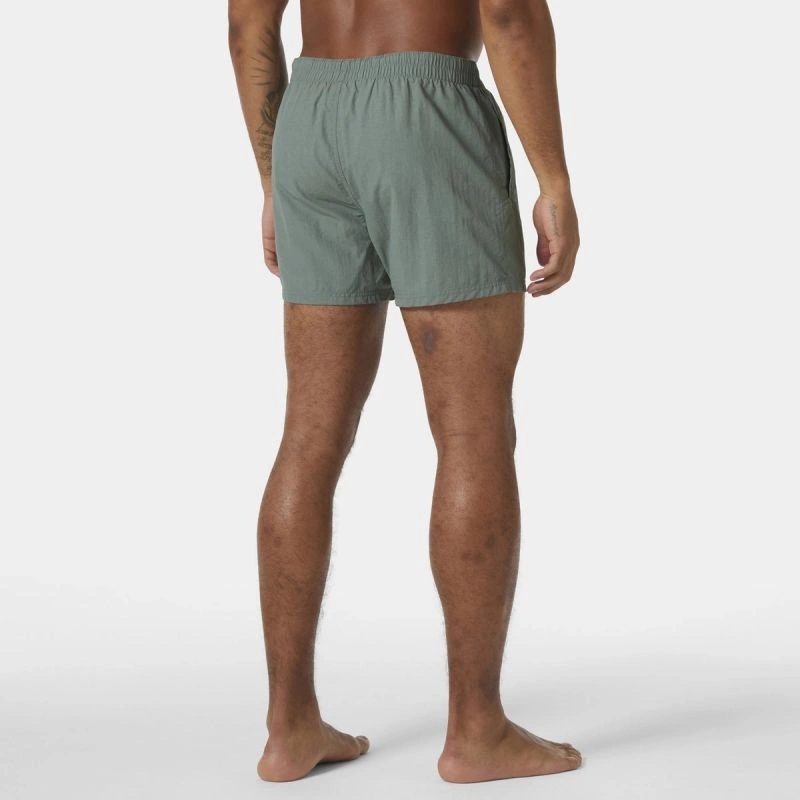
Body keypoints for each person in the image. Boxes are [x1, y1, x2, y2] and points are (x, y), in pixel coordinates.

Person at [228, 0, 581, 784]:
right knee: (474, 434)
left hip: (310, 118)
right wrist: (553, 177)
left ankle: (289, 726)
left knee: (309, 436)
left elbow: (247, 26)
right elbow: (507, 13)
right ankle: (477, 731)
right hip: (426, 111)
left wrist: (275, 177)